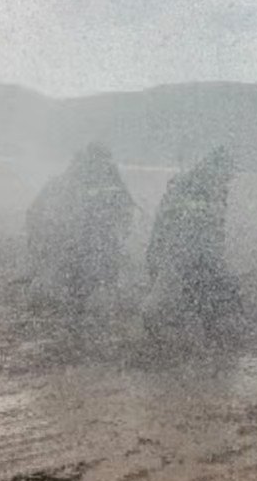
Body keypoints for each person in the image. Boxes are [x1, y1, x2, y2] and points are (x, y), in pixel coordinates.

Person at [144, 147, 242, 353]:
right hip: (180, 254)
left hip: (200, 255)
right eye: (227, 174)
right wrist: (161, 253)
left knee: (210, 298)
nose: (228, 181)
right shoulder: (192, 187)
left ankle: (208, 342)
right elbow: (167, 224)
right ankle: (158, 341)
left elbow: (215, 227)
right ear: (218, 169)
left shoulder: (215, 189)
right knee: (164, 302)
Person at [26, 141, 135, 310]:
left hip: (78, 238)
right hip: (80, 239)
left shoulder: (74, 177)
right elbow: (122, 210)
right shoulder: (94, 177)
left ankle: (72, 290)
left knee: (70, 275)